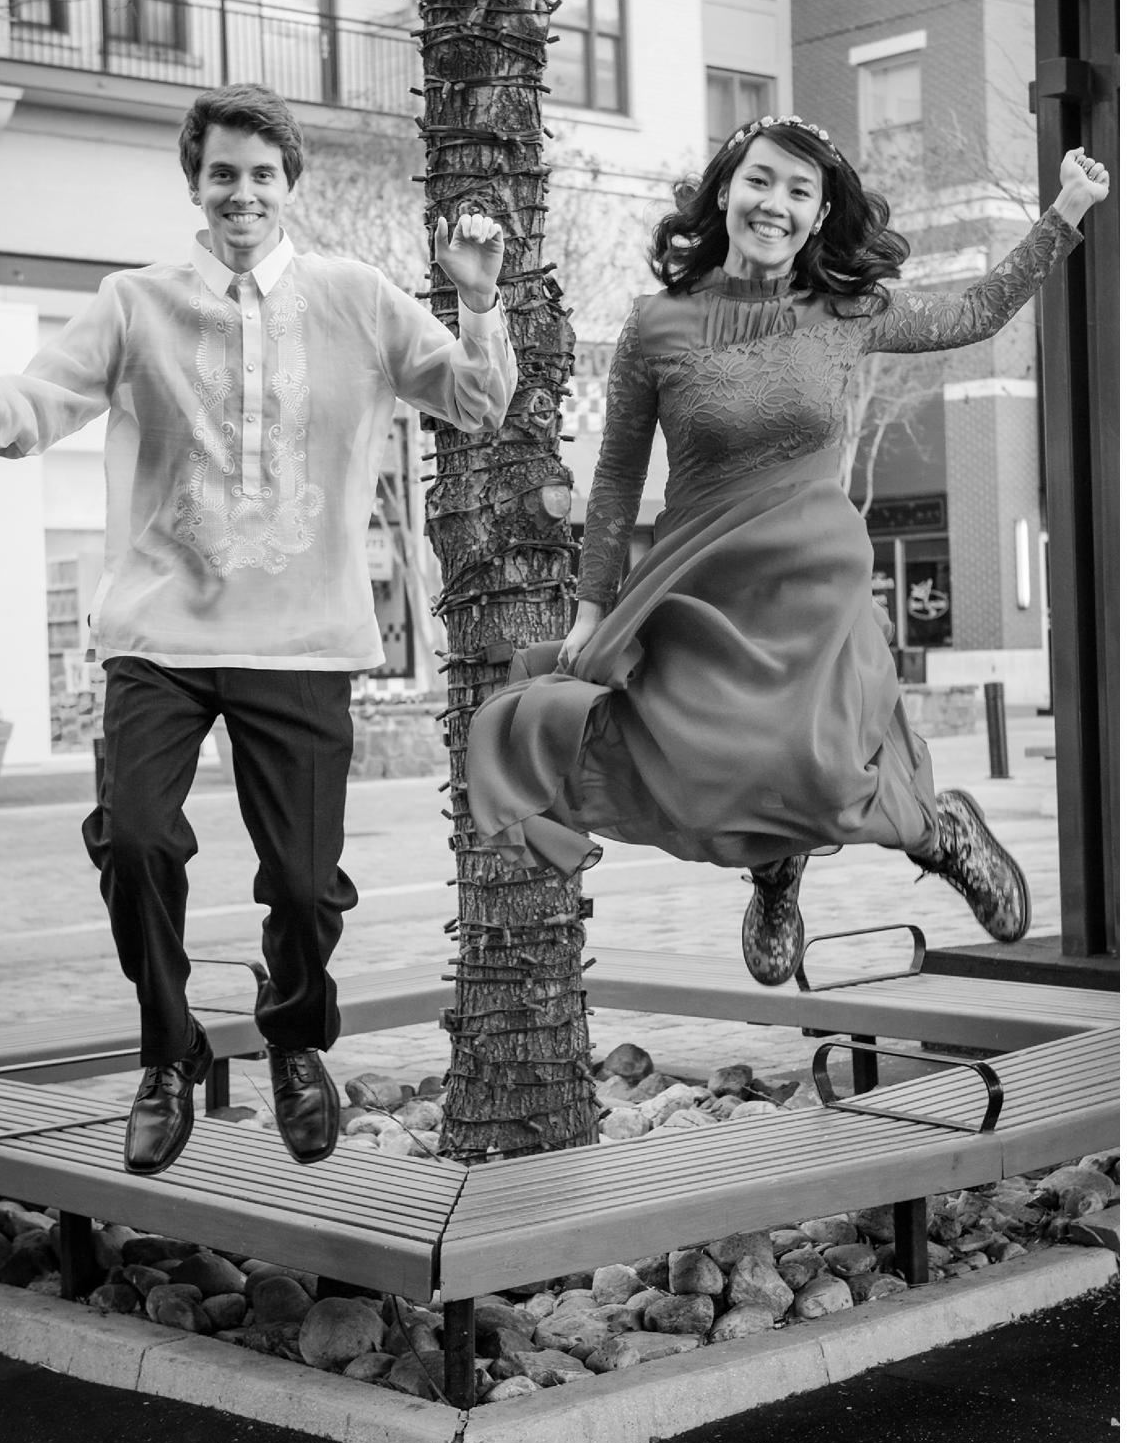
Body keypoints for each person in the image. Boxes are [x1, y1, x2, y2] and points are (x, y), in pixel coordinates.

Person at [0, 83, 514, 1176]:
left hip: (302, 643)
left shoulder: (356, 297)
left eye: (262, 173)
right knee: (137, 840)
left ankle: (296, 1040)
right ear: (194, 186)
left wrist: (480, 303)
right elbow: (35, 407)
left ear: (288, 185)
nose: (242, 192)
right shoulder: (134, 301)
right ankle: (168, 1054)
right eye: (222, 174)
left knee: (303, 884)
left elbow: (477, 404)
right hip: (159, 636)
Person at [466, 118, 1110, 982]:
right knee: (712, 757)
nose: (776, 204)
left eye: (799, 193)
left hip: (818, 583)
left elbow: (974, 311)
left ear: (817, 217)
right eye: (761, 182)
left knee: (827, 759)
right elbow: (617, 477)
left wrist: (1064, 212)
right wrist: (590, 606)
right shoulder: (656, 327)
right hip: (705, 584)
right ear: (726, 190)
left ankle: (939, 832)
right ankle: (776, 868)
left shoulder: (847, 311)